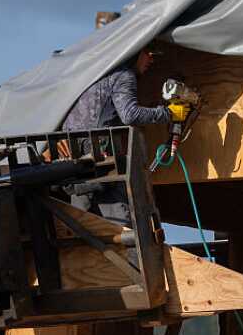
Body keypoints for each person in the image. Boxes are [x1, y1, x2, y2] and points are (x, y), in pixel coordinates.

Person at [61, 46, 173, 224]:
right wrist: (168, 113)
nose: (151, 58)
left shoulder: (91, 74)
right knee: (120, 226)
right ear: (133, 52)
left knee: (81, 224)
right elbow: (130, 114)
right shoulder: (123, 75)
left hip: (73, 153)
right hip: (100, 152)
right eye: (147, 52)